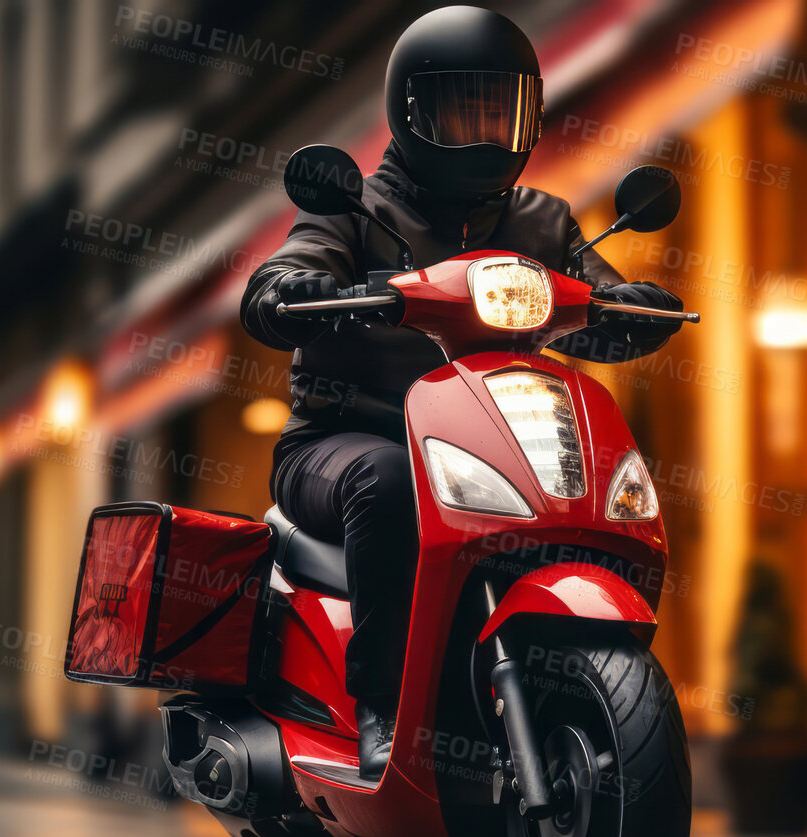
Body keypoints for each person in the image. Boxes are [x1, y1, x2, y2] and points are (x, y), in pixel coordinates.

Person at [240, 5, 682, 779]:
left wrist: (633, 311)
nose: (482, 128)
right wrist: (290, 286)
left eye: (498, 107)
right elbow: (290, 266)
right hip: (344, 446)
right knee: (385, 480)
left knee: (585, 489)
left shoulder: (542, 221)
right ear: (412, 113)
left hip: (492, 452)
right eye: (461, 106)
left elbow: (592, 302)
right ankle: (381, 706)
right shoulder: (356, 213)